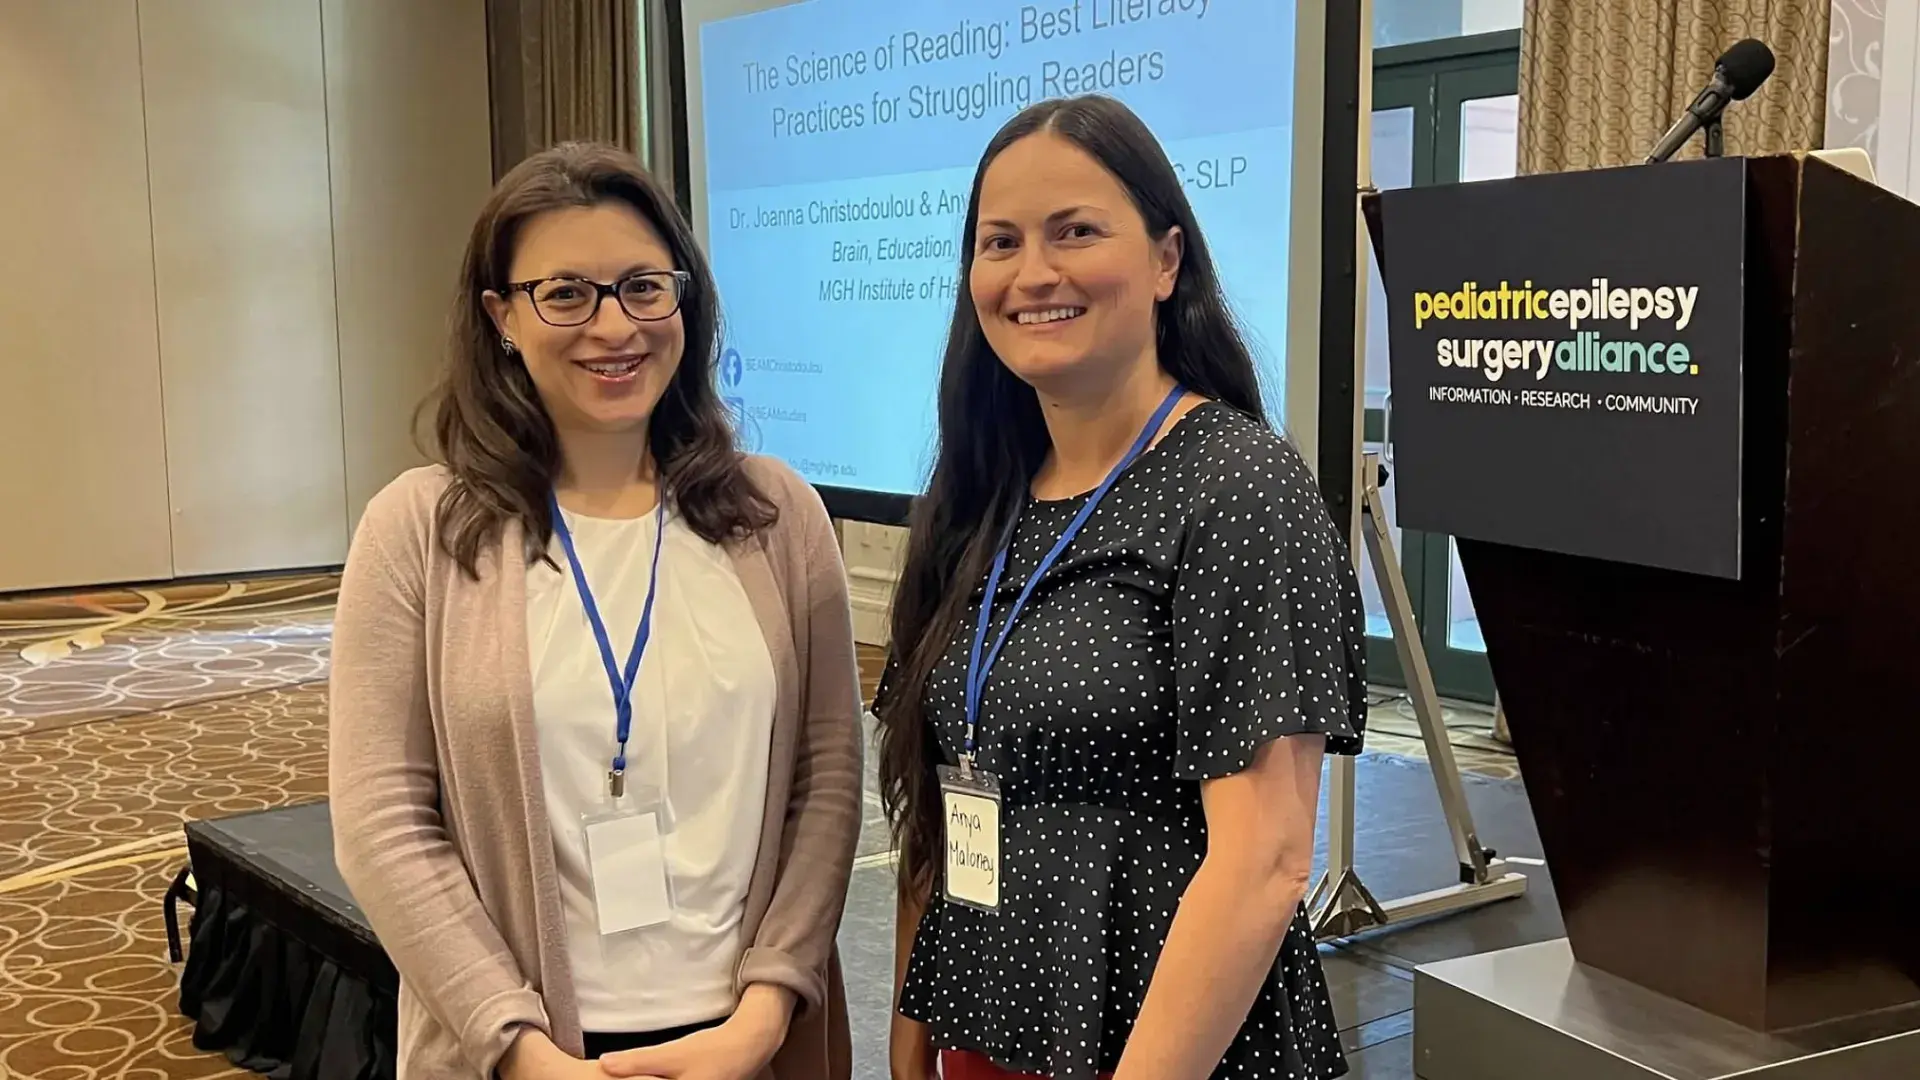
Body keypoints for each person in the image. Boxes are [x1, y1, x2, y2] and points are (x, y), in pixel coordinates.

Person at [328, 142, 862, 1080]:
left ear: (684, 300)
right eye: (565, 293)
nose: (614, 326)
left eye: (643, 288)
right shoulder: (417, 529)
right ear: (501, 316)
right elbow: (384, 823)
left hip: (746, 1046)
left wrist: (766, 1014)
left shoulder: (777, 515)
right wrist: (522, 1049)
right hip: (520, 1055)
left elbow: (826, 784)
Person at [875, 95, 1368, 1080]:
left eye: (1077, 231)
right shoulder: (982, 497)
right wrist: (910, 1028)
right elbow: (946, 792)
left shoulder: (1237, 485)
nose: (1033, 273)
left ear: (1165, 260)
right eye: (1000, 241)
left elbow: (1265, 861)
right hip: (988, 1030)